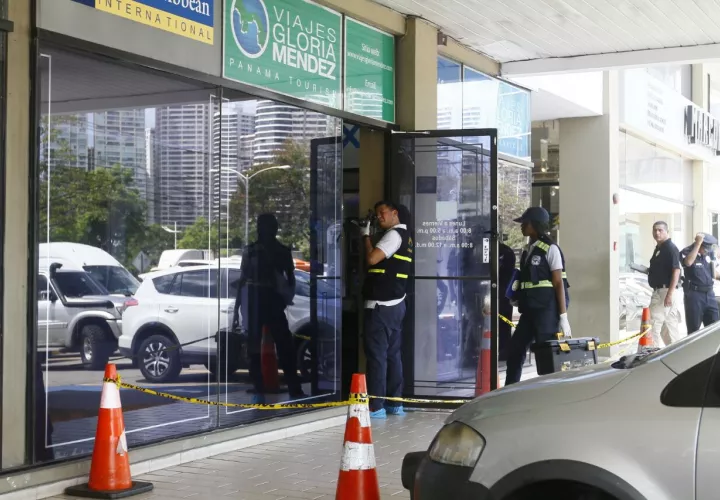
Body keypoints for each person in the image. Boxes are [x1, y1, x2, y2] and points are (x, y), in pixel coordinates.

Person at [233, 213, 304, 403]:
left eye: (267, 225)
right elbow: (243, 280)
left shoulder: (280, 251)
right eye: (262, 225)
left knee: (283, 345)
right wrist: (237, 309)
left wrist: (286, 296)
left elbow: (290, 278)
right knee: (256, 347)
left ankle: (292, 387)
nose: (264, 229)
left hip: (271, 301)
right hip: (257, 300)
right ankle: (259, 386)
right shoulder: (252, 251)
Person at [505, 207, 570, 386]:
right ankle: (510, 390)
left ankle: (549, 394)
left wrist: (563, 317)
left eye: (524, 223)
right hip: (529, 312)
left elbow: (558, 283)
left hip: (546, 313)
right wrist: (517, 296)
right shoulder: (528, 250)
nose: (521, 227)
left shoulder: (551, 249)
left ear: (534, 225)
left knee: (546, 358)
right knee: (515, 351)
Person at [360, 201, 412, 419]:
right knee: (392, 355)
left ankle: (377, 406)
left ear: (394, 213)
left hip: (381, 307)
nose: (379, 217)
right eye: (377, 213)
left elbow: (372, 259)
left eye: (382, 213)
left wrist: (365, 237)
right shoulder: (406, 238)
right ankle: (394, 403)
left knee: (377, 357)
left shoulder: (393, 236)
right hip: (396, 304)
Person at [647, 221, 682, 347]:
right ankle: (675, 353)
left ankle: (651, 354)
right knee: (668, 326)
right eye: (655, 230)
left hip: (665, 291)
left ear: (667, 231)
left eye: (660, 230)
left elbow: (676, 271)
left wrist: (669, 294)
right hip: (662, 291)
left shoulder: (670, 248)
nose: (657, 233)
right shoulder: (659, 249)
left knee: (652, 324)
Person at [681, 233, 720, 334]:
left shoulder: (709, 254)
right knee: (694, 330)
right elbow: (688, 262)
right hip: (694, 295)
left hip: (710, 294)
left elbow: (713, 273)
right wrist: (697, 244)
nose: (707, 251)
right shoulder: (687, 251)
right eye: (705, 248)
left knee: (714, 328)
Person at [498, 240, 516, 361]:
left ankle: (504, 350)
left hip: (502, 291)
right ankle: (504, 350)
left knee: (504, 322)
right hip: (504, 292)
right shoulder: (507, 250)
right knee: (504, 322)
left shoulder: (505, 251)